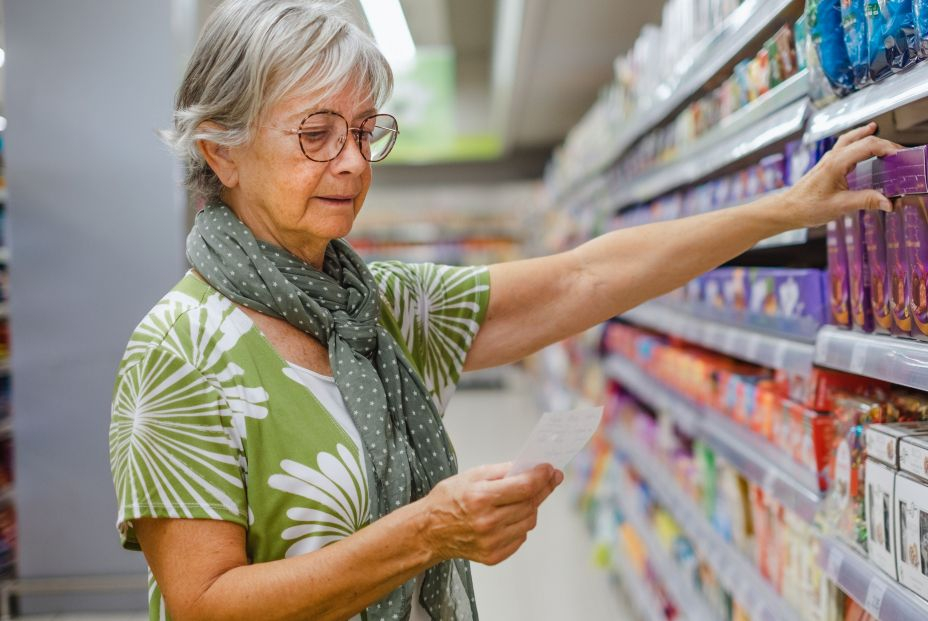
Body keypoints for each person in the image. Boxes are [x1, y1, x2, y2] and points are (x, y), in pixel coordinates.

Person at [107, 1, 901, 620]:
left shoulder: (378, 308)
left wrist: (784, 209)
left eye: (362, 130)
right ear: (222, 152)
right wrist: (426, 531)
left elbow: (583, 279)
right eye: (316, 134)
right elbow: (204, 602)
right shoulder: (178, 348)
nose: (351, 161)